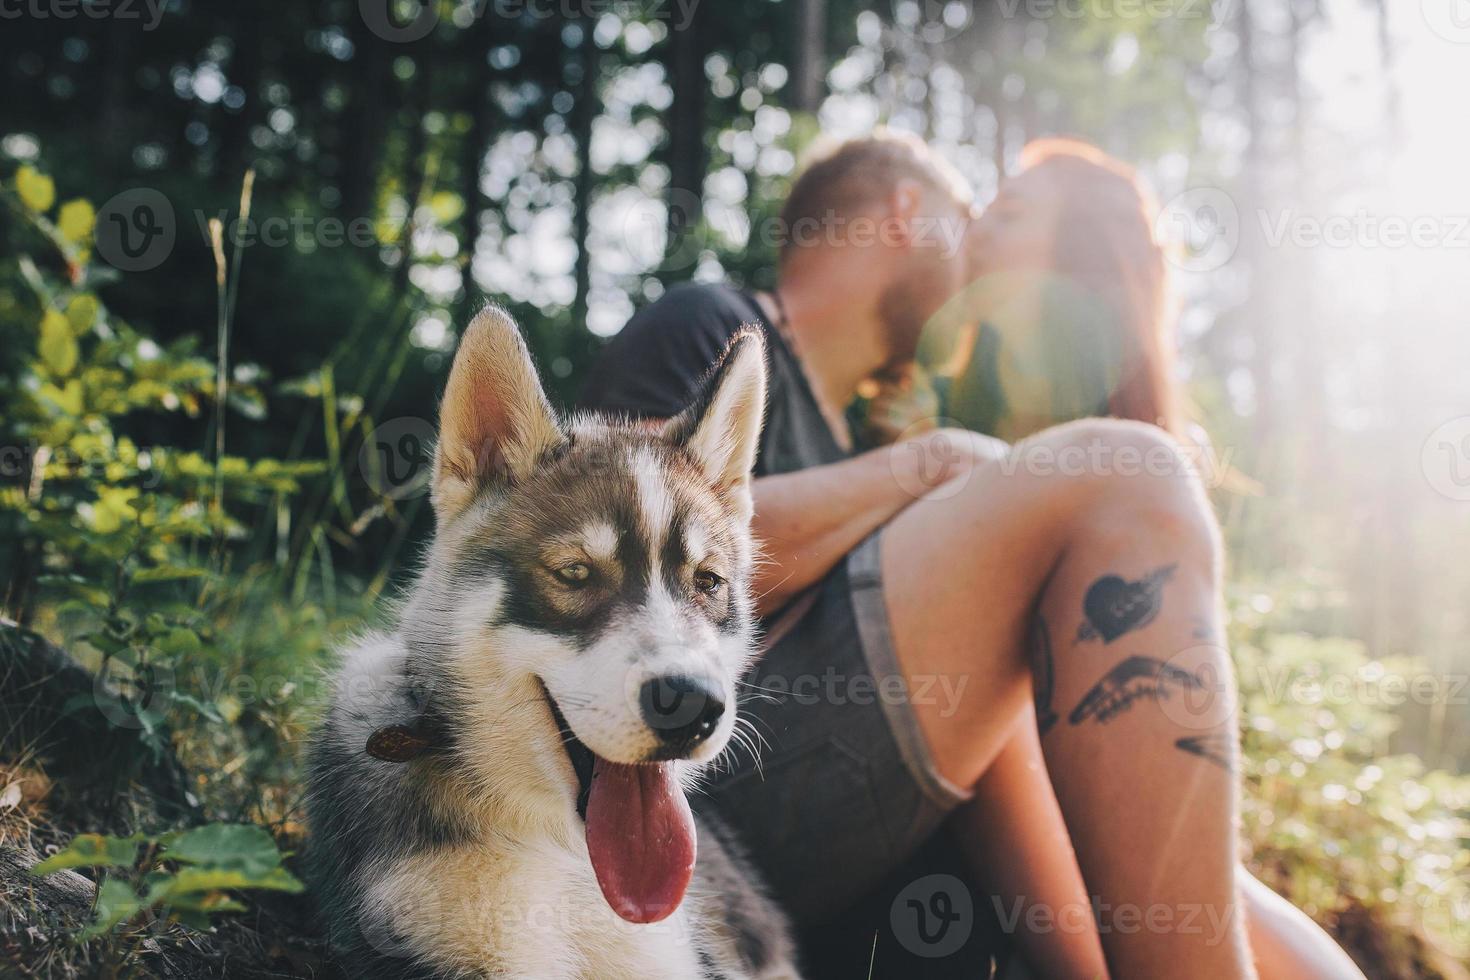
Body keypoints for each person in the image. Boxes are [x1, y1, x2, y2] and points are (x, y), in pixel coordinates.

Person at [578, 131, 1360, 979]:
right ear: (909, 214)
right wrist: (926, 463)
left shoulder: (858, 437)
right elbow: (634, 556)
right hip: (693, 792)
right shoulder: (716, 326)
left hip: (831, 824)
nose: (978, 250)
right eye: (970, 218)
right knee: (1130, 473)